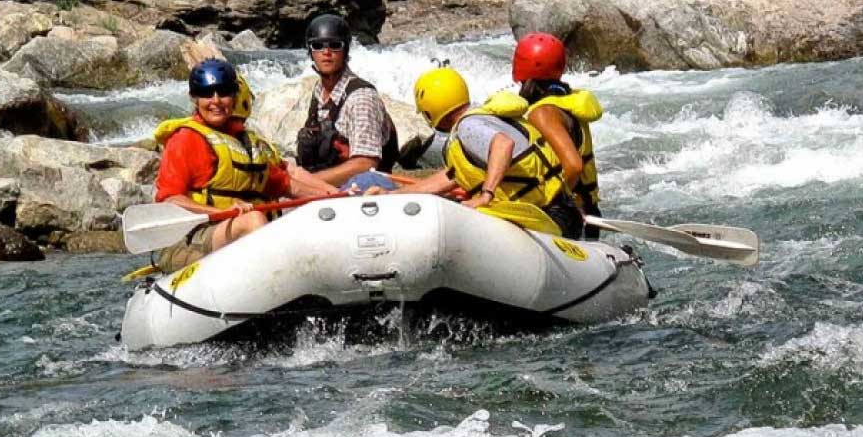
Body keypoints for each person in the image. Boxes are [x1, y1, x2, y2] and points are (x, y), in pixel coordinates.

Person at [392, 65, 582, 237]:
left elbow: (503, 145)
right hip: (561, 210)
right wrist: (395, 195)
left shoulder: (468, 126)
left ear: (430, 111)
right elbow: (450, 177)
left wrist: (486, 195)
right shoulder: (483, 118)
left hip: (547, 216)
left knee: (459, 210)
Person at [149, 60, 294, 272]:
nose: (216, 101)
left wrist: (342, 194)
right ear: (195, 99)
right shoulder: (185, 139)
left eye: (224, 92)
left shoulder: (242, 142)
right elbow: (170, 199)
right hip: (188, 240)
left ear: (234, 96)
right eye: (207, 94)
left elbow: (287, 185)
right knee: (252, 220)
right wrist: (222, 211)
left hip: (227, 231)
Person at [482, 33, 604, 238]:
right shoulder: (566, 102)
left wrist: (551, 199)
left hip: (565, 215)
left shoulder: (543, 113)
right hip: (587, 210)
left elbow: (573, 166)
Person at [293, 14, 400, 192]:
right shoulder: (319, 92)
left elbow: (365, 164)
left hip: (364, 187)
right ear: (310, 52)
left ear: (346, 50)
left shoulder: (361, 97)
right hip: (326, 187)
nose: (326, 52)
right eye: (318, 46)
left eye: (335, 45)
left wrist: (306, 182)